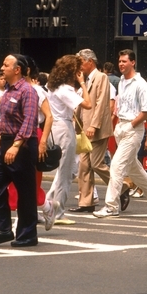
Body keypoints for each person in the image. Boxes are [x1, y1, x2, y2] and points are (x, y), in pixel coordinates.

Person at [93, 50, 147, 219]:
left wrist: (132, 124)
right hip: (122, 126)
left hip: (133, 129)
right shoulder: (121, 81)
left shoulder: (141, 84)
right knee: (134, 169)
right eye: (119, 61)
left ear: (133, 62)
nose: (121, 64)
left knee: (116, 165)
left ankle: (111, 206)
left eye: (124, 61)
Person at [0, 54, 41, 247]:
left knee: (25, 192)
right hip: (6, 143)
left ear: (17, 70)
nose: (2, 67)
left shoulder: (28, 91)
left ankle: (28, 234)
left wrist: (16, 146)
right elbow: (5, 122)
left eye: (6, 65)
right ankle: (4, 230)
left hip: (23, 145)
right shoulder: (8, 91)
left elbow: (29, 121)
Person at [40, 55, 92, 231]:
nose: (80, 72)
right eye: (78, 69)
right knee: (66, 171)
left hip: (56, 127)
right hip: (63, 127)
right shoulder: (65, 89)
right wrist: (83, 83)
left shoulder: (54, 86)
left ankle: (50, 203)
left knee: (65, 170)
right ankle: (58, 212)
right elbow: (88, 104)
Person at [72, 49, 113, 214]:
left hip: (96, 129)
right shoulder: (84, 80)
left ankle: (121, 187)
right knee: (84, 167)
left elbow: (101, 103)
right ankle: (86, 202)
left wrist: (94, 125)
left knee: (96, 164)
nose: (79, 65)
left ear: (90, 61)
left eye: (81, 62)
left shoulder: (101, 77)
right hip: (84, 128)